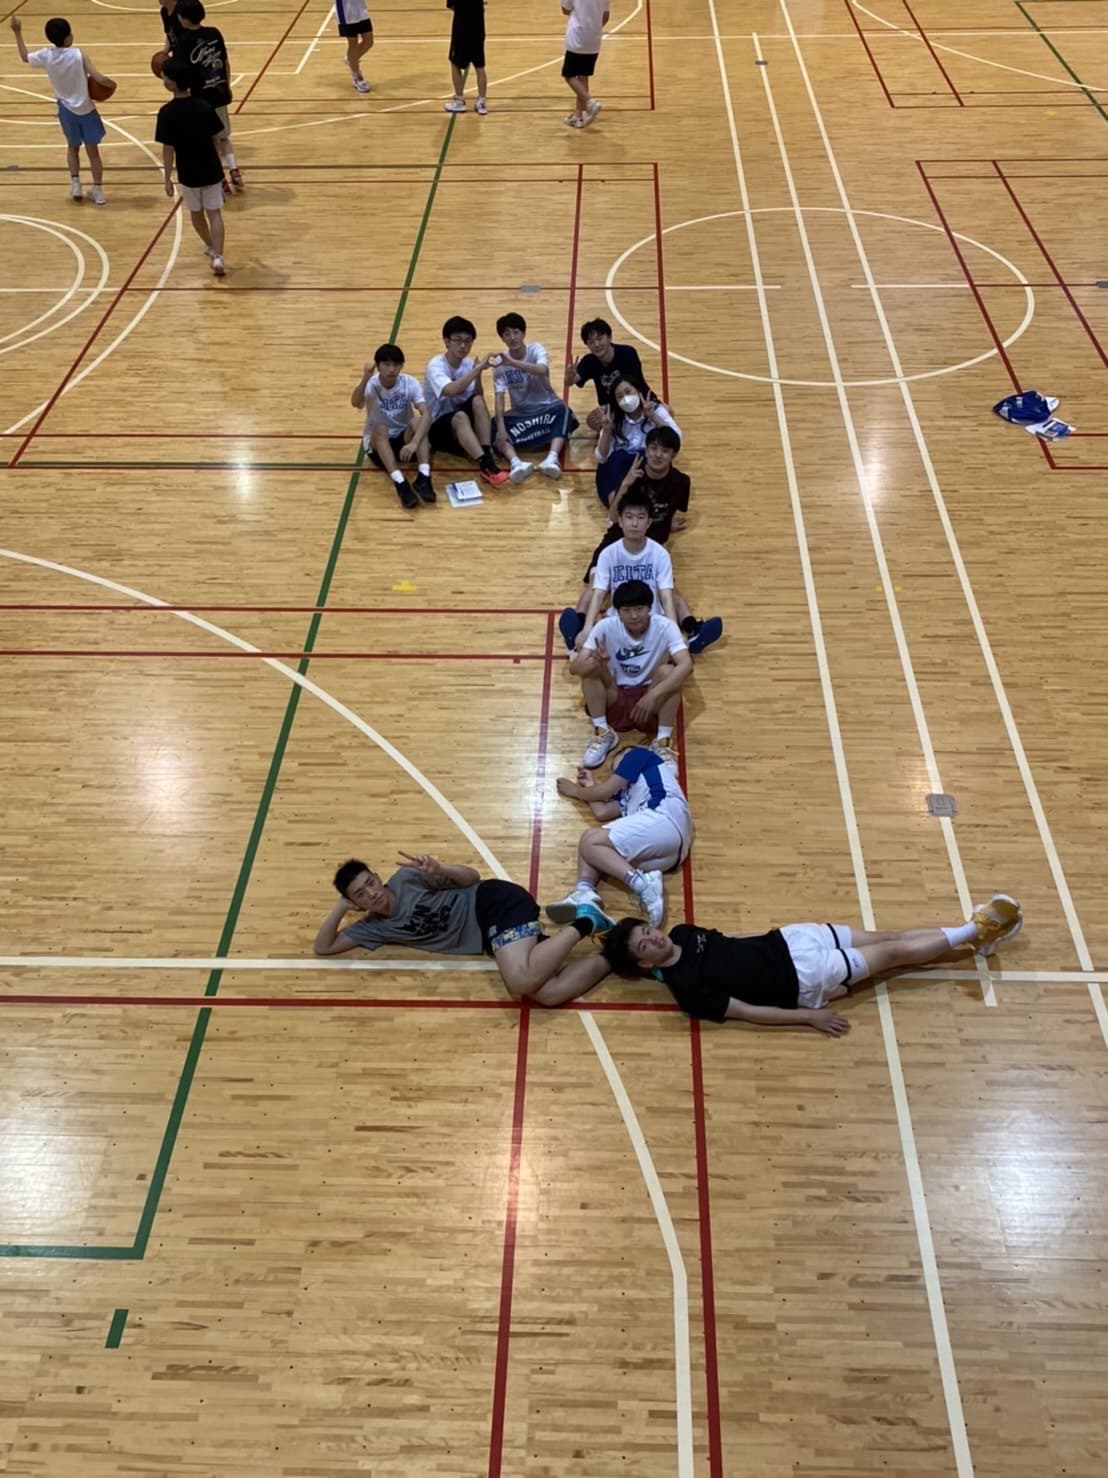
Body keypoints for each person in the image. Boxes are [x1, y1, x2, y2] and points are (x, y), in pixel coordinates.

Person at [598, 895, 1025, 1035]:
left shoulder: (683, 932)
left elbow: (733, 940)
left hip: (795, 939)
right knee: (894, 955)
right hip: (804, 978)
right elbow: (746, 1012)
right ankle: (975, 928)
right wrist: (809, 1017)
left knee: (887, 937)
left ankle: (977, 936)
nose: (653, 937)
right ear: (644, 963)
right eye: (644, 945)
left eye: (646, 931)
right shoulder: (686, 989)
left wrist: (776, 933)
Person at [314, 852, 614, 1006]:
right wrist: (340, 907)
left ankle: (586, 920)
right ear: (356, 904)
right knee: (546, 993)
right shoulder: (373, 927)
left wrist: (440, 869)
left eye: (370, 883)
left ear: (378, 877)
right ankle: (614, 953)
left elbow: (472, 877)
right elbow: (324, 947)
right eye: (360, 895)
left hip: (492, 903)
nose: (371, 894)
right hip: (490, 937)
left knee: (521, 982)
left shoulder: (407, 878)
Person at [559, 472, 723, 656]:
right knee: (593, 649)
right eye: (629, 517)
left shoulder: (660, 554)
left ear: (649, 522)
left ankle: (692, 634)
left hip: (652, 622)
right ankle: (577, 636)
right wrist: (587, 630)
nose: (635, 523)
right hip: (619, 621)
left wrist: (674, 632)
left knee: (672, 656)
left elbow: (666, 596)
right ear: (621, 521)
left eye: (640, 517)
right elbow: (598, 594)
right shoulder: (608, 554)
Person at [546, 746, 693, 929]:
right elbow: (602, 812)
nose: (618, 772)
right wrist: (589, 786)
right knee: (597, 854)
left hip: (665, 818)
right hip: (671, 855)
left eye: (619, 767)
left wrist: (575, 791)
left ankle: (642, 885)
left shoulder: (638, 755)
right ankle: (585, 893)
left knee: (591, 839)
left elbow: (604, 792)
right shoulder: (628, 795)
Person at [569, 578, 692, 768]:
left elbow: (686, 665)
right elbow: (574, 668)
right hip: (616, 694)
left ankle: (663, 741)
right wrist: (596, 662)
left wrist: (652, 696)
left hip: (649, 697)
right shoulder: (605, 627)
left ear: (649, 608)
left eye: (639, 609)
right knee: (590, 669)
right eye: (627, 610)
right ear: (618, 612)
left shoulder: (666, 626)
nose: (634, 616)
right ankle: (603, 732)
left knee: (670, 672)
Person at [11, 16, 111, 205]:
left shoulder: (46, 55)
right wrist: (111, 85)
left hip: (66, 110)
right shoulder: (79, 54)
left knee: (72, 147)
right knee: (93, 153)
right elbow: (99, 78)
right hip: (86, 109)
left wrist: (17, 32)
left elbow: (25, 57)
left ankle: (75, 185)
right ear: (68, 38)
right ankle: (98, 191)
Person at [156, 55, 227, 276]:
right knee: (215, 213)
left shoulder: (166, 113)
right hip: (211, 169)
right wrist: (219, 163)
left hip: (188, 172)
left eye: (165, 77)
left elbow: (168, 149)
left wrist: (167, 178)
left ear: (171, 83)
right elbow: (217, 138)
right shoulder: (204, 106)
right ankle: (219, 256)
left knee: (196, 214)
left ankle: (210, 246)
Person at [491, 312, 579, 482]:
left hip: (546, 409)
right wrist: (501, 428)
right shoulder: (500, 365)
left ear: (523, 333)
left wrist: (513, 363)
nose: (512, 337)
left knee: (563, 409)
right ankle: (516, 463)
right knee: (494, 425)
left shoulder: (536, 349)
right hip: (522, 414)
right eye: (507, 334)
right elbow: (499, 398)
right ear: (502, 338)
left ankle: (552, 459)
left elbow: (542, 369)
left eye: (516, 332)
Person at [423, 316, 509, 486]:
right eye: (458, 340)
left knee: (477, 400)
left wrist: (478, 375)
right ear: (447, 342)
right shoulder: (436, 365)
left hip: (461, 423)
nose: (463, 346)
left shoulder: (468, 364)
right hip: (437, 427)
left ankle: (486, 452)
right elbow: (451, 390)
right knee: (460, 417)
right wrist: (477, 369)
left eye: (468, 341)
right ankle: (485, 464)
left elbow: (477, 395)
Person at [351, 344, 435, 509]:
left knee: (419, 422)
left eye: (396, 364)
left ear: (401, 366)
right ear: (378, 366)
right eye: (386, 364)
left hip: (404, 442)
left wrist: (414, 443)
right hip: (378, 444)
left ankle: (424, 477)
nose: (392, 369)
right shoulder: (370, 384)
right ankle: (400, 483)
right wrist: (365, 378)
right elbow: (355, 402)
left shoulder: (409, 382)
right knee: (380, 428)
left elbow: (427, 414)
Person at [172, 0, 242, 192]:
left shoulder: (184, 42)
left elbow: (180, 73)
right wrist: (227, 85)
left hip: (200, 99)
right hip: (219, 91)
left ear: (184, 19)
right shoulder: (214, 33)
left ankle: (221, 181)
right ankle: (234, 170)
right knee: (224, 136)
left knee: (211, 143)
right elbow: (225, 62)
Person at [595, 375, 680, 506]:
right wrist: (606, 431)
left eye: (628, 392)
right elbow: (601, 457)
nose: (626, 399)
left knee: (650, 498)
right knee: (615, 499)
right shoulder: (613, 418)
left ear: (638, 390)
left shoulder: (655, 409)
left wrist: (653, 417)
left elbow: (676, 438)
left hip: (648, 460)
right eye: (620, 396)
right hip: (619, 461)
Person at [566, 317, 653, 433]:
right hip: (611, 406)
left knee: (667, 412)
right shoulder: (589, 361)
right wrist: (569, 377)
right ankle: (620, 431)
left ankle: (628, 428)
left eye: (600, 339)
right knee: (592, 420)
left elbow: (637, 384)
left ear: (609, 337)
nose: (596, 344)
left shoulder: (627, 353)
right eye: (591, 342)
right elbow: (572, 381)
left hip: (635, 398)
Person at [561, 0, 608, 128]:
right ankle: (578, 116)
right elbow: (605, 16)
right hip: (594, 40)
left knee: (569, 75)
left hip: (577, 37)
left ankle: (590, 102)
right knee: (583, 76)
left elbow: (565, 9)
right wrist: (592, 29)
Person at [443, 0, 488, 115]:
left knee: (455, 64)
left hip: (461, 28)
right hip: (478, 28)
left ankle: (459, 100)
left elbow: (451, 5)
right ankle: (482, 102)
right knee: (480, 67)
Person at [335, 0, 373, 93]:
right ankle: (357, 77)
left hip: (360, 9)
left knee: (369, 41)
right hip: (346, 12)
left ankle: (351, 60)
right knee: (353, 43)